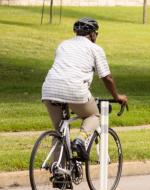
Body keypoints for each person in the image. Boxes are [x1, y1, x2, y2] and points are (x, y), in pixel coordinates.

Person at [41, 17, 128, 161]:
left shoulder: (63, 45)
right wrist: (117, 96)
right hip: (74, 89)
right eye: (96, 33)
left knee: (60, 131)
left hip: (49, 89)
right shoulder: (95, 49)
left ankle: (59, 173)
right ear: (93, 34)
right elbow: (107, 77)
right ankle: (80, 140)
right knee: (94, 115)